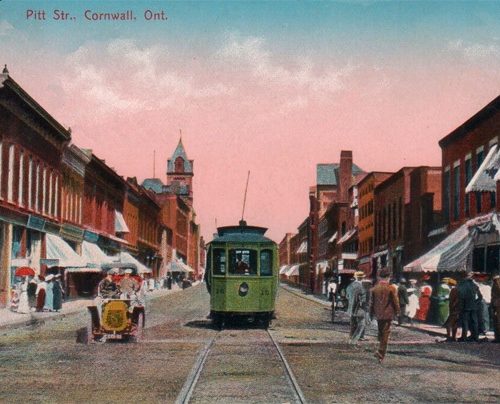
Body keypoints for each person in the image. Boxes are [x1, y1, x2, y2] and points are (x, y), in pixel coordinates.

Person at [370, 267, 400, 363]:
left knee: (381, 332)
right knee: (385, 333)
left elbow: (371, 303)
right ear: (388, 277)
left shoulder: (374, 289)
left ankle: (380, 349)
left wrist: (371, 314)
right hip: (388, 314)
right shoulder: (391, 288)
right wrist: (398, 312)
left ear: (380, 277)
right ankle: (381, 352)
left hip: (378, 314)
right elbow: (395, 302)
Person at [457, 272, 482, 342]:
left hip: (465, 306)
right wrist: (475, 303)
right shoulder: (475, 285)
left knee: (465, 321)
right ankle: (476, 337)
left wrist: (460, 306)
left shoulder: (463, 285)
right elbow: (480, 297)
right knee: (474, 321)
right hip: (474, 306)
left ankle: (464, 337)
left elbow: (461, 296)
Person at [347, 271, 368, 345]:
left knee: (353, 324)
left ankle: (350, 338)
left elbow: (347, 296)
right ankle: (354, 340)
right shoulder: (361, 287)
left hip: (350, 308)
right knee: (361, 324)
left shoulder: (350, 286)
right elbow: (363, 300)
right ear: (362, 278)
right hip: (359, 309)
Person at [492, 273, 500, 343]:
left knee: (498, 322)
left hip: (497, 305)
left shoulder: (496, 283)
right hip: (496, 305)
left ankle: (498, 338)